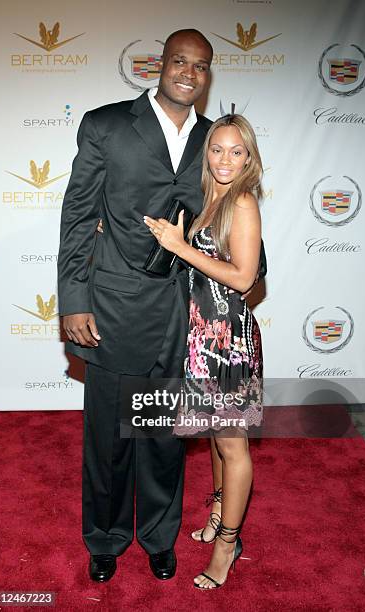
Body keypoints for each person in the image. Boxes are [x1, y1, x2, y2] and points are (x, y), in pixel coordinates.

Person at [57, 29, 213, 582]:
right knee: (109, 439)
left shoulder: (214, 139)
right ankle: (105, 537)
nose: (188, 73)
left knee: (163, 436)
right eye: (179, 61)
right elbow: (78, 216)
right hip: (113, 306)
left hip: (181, 310)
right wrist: (74, 299)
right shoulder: (106, 124)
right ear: (160, 64)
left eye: (199, 65)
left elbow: (224, 214)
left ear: (207, 74)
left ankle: (157, 536)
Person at [144, 113, 264, 589]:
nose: (225, 159)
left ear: (249, 158)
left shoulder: (244, 202)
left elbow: (243, 278)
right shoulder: (210, 199)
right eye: (218, 149)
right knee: (214, 437)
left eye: (237, 151)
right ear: (206, 153)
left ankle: (228, 545)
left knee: (233, 445)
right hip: (200, 337)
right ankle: (218, 510)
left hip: (228, 340)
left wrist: (181, 245)